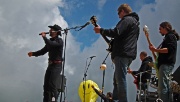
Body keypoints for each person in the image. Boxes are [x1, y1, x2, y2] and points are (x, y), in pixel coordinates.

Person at [93, 3, 140, 102]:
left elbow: (116, 32)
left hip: (122, 54)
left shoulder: (127, 20)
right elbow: (125, 37)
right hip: (128, 54)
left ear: (123, 11)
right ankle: (115, 99)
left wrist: (101, 30)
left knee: (120, 80)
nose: (118, 16)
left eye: (119, 13)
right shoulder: (135, 24)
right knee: (116, 80)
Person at [28, 24, 63, 102]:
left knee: (52, 85)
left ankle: (54, 100)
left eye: (51, 29)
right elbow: (43, 51)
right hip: (51, 65)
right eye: (50, 29)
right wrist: (33, 54)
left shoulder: (59, 41)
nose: (50, 31)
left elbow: (51, 44)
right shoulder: (50, 42)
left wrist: (44, 37)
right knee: (46, 86)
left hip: (57, 66)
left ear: (56, 32)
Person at [149, 21, 179, 102]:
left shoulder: (170, 36)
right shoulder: (169, 37)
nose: (159, 31)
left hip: (166, 64)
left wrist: (155, 49)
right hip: (166, 64)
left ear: (165, 28)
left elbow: (168, 50)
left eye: (160, 29)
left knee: (163, 86)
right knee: (166, 85)